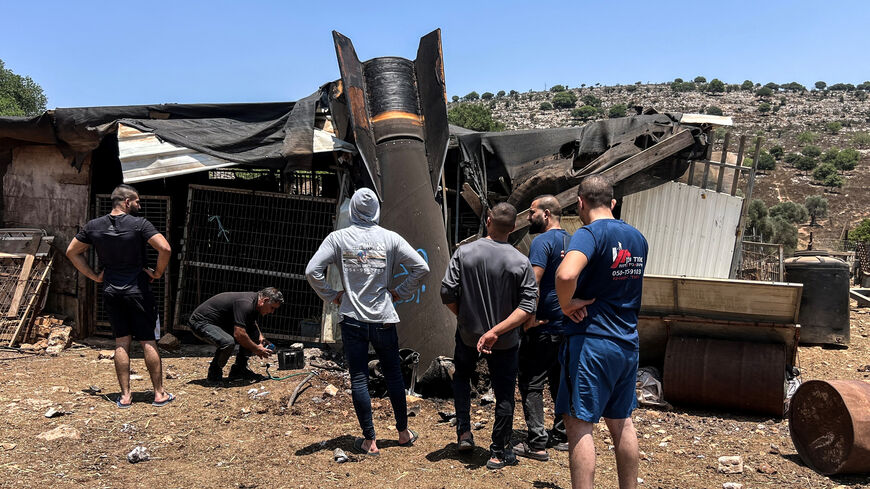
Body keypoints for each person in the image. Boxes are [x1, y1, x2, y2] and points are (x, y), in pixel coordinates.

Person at [306, 187, 428, 456]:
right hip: (384, 317)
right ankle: (403, 433)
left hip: (352, 319)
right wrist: (399, 292)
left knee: (359, 377)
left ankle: (370, 441)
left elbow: (311, 270)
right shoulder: (391, 238)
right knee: (394, 375)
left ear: (353, 211)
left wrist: (333, 295)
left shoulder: (338, 238)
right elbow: (422, 267)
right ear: (376, 211)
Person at [554, 176, 648, 489]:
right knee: (621, 422)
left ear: (580, 203)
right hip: (627, 343)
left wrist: (567, 305)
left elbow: (566, 272)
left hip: (591, 342)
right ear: (613, 202)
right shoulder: (637, 238)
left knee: (579, 426)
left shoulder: (589, 233)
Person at [441, 202, 538, 470]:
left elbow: (446, 293)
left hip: (469, 335)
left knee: (461, 378)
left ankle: (464, 433)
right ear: (514, 228)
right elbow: (528, 306)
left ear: (488, 221)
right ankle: (498, 452)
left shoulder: (464, 252)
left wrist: (465, 317)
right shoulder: (521, 261)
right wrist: (496, 331)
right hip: (505, 341)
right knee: (505, 392)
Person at [66, 184, 173, 408]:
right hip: (138, 291)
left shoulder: (94, 226)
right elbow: (165, 248)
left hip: (112, 291)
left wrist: (94, 276)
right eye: (137, 201)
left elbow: (72, 252)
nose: (139, 205)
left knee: (121, 343)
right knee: (147, 341)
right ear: (126, 202)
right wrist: (158, 272)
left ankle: (125, 396)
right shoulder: (140, 224)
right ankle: (159, 394)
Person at [513, 195, 570, 462]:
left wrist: (529, 318)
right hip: (566, 325)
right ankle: (560, 436)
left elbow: (533, 283)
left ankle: (536, 443)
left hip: (543, 325)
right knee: (560, 380)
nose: (528, 217)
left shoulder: (541, 242)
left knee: (531, 382)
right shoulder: (573, 241)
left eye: (532, 212)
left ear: (546, 214)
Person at [188, 287, 283, 382]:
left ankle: (239, 370)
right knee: (227, 343)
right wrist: (256, 349)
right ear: (265, 300)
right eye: (272, 308)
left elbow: (251, 322)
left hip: (220, 322)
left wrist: (260, 337)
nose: (272, 312)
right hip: (201, 322)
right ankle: (214, 374)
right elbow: (239, 334)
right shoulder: (246, 303)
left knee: (254, 335)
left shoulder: (255, 303)